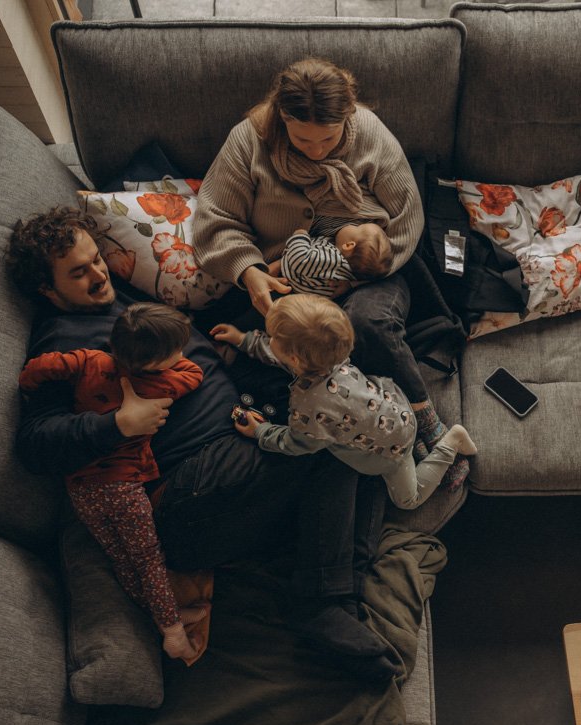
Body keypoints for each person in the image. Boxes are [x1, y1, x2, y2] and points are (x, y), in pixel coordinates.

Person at [8, 207, 396, 680]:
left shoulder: (120, 296)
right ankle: (320, 603)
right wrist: (118, 425)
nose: (98, 273)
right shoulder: (59, 344)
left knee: (370, 447)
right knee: (331, 445)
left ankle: (344, 592)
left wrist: (259, 285)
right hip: (188, 489)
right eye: (79, 272)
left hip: (235, 448)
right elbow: (33, 444)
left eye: (95, 259)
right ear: (48, 290)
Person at [192, 56, 470, 490]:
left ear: (348, 116)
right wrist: (248, 272)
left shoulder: (370, 132)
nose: (317, 150)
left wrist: (354, 274)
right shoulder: (248, 141)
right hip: (288, 277)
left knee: (365, 324)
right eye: (304, 140)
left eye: (329, 138)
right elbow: (214, 219)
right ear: (282, 118)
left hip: (370, 272)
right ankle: (347, 451)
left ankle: (422, 415)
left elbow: (405, 217)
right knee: (270, 362)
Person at [18, 302, 207, 661]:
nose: (181, 355)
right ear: (153, 364)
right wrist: (172, 361)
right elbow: (194, 373)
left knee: (123, 559)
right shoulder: (159, 384)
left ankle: (163, 613)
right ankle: (172, 633)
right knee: (148, 558)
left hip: (81, 488)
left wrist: (28, 382)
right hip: (121, 485)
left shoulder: (89, 360)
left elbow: (41, 367)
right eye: (175, 351)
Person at [216, 294, 477, 510]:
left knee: (408, 500)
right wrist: (243, 340)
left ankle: (449, 444)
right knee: (402, 438)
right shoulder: (333, 355)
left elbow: (297, 444)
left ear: (294, 360)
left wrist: (260, 431)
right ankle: (421, 440)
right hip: (400, 408)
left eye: (270, 337)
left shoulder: (308, 407)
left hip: (389, 453)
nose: (268, 339)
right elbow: (282, 356)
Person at [277, 223, 391, 296]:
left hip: (285, 279)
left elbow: (299, 260)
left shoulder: (333, 260)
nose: (352, 224)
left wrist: (300, 235)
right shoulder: (348, 274)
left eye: (357, 227)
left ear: (349, 245)